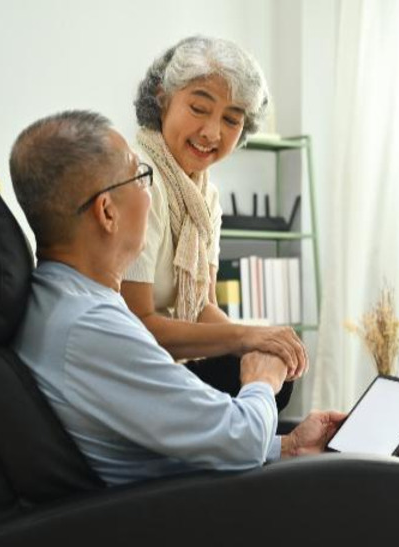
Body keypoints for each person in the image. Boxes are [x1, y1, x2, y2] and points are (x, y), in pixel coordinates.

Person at [8, 110, 399, 547]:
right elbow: (235, 441)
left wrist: (292, 445)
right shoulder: (91, 327)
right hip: (215, 513)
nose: (151, 189)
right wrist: (260, 377)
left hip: (200, 490)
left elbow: (193, 432)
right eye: (141, 176)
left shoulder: (65, 303)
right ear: (106, 212)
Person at [122, 36, 306, 409]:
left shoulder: (206, 197)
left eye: (231, 119)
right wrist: (245, 338)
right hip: (135, 370)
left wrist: (259, 344)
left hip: (175, 363)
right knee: (255, 373)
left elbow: (203, 307)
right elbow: (138, 323)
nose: (211, 132)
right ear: (162, 98)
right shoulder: (138, 179)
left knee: (277, 376)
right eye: (198, 108)